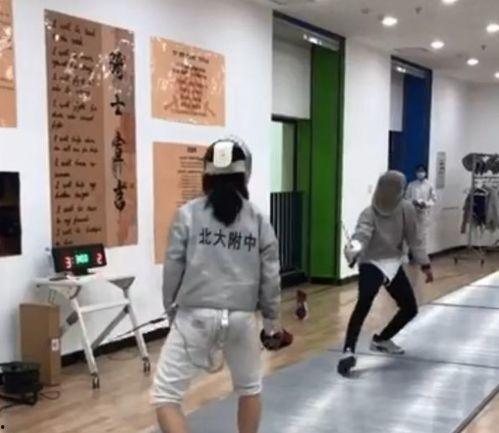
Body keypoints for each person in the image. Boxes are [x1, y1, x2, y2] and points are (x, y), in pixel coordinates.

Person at [151, 137, 284, 433]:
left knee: (165, 397)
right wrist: (271, 322)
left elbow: (173, 268)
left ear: (206, 174)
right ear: (244, 174)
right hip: (241, 319)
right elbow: (270, 276)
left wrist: (171, 311)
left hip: (194, 316)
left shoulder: (188, 214)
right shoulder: (259, 219)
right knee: (250, 389)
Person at [338, 171, 434, 377]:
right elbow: (362, 234)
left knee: (410, 308)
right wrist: (354, 249)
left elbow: (414, 239)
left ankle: (381, 340)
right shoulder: (369, 213)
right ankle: (348, 351)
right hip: (371, 263)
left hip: (393, 263)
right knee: (363, 304)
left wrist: (425, 264)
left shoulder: (406, 209)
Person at [405, 164, 437, 248]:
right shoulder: (412, 184)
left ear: (425, 172)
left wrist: (426, 204)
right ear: (416, 173)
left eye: (422, 171)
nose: (420, 173)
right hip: (413, 211)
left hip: (424, 213)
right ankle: (411, 252)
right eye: (418, 171)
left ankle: (422, 252)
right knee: (412, 232)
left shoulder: (429, 185)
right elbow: (406, 198)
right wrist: (413, 202)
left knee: (423, 233)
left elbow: (433, 199)